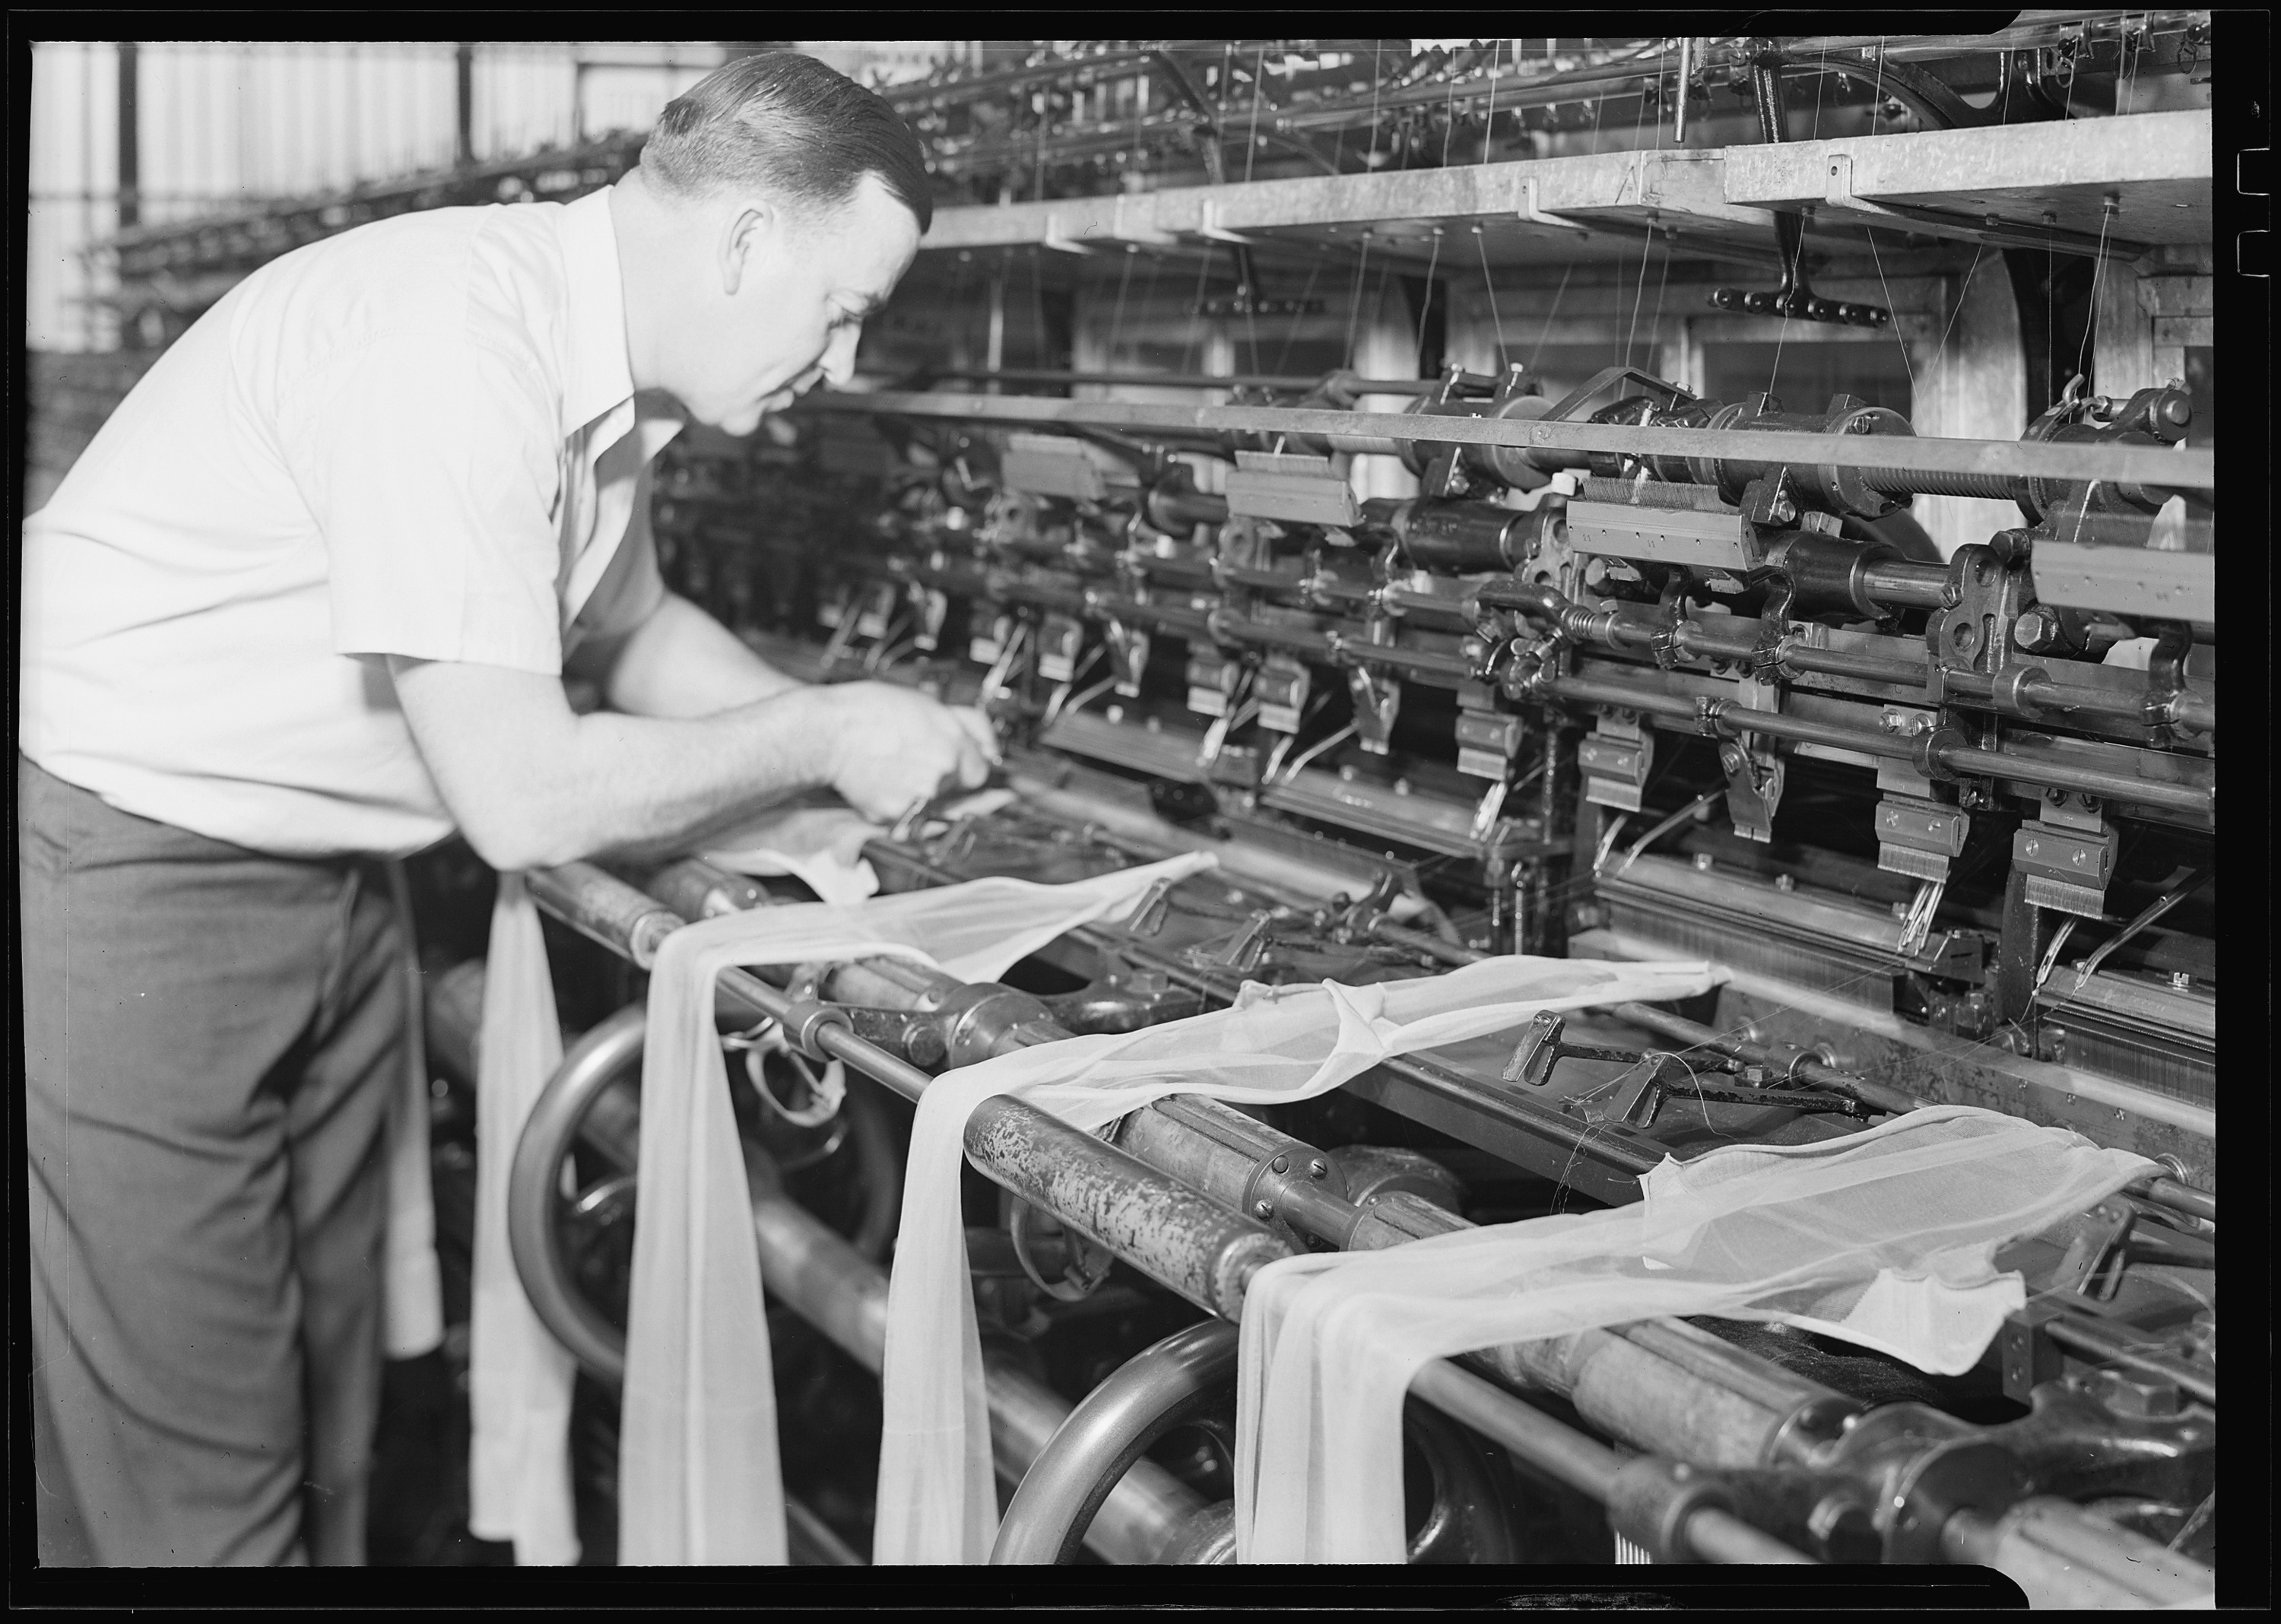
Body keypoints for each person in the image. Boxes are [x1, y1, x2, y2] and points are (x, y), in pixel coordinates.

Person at [18, 50, 987, 1566]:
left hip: (327, 870)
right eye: (844, 311)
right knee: (186, 1447)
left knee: (337, 1390)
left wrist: (818, 787)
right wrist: (820, 728)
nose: (842, 366)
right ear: (744, 242)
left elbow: (638, 634)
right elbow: (525, 801)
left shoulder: (594, 370)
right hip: (139, 865)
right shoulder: (457, 347)